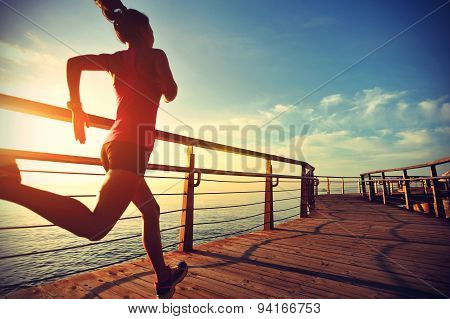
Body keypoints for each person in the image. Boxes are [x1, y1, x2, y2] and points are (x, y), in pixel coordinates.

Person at [0, 0, 187, 299]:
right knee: (95, 227)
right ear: (143, 30)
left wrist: (76, 107)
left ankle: (164, 277)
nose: (153, 32)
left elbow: (74, 64)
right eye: (151, 27)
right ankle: (9, 187)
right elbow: (172, 92)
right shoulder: (156, 54)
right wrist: (161, 81)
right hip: (131, 148)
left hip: (113, 145)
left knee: (151, 211)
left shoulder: (114, 59)